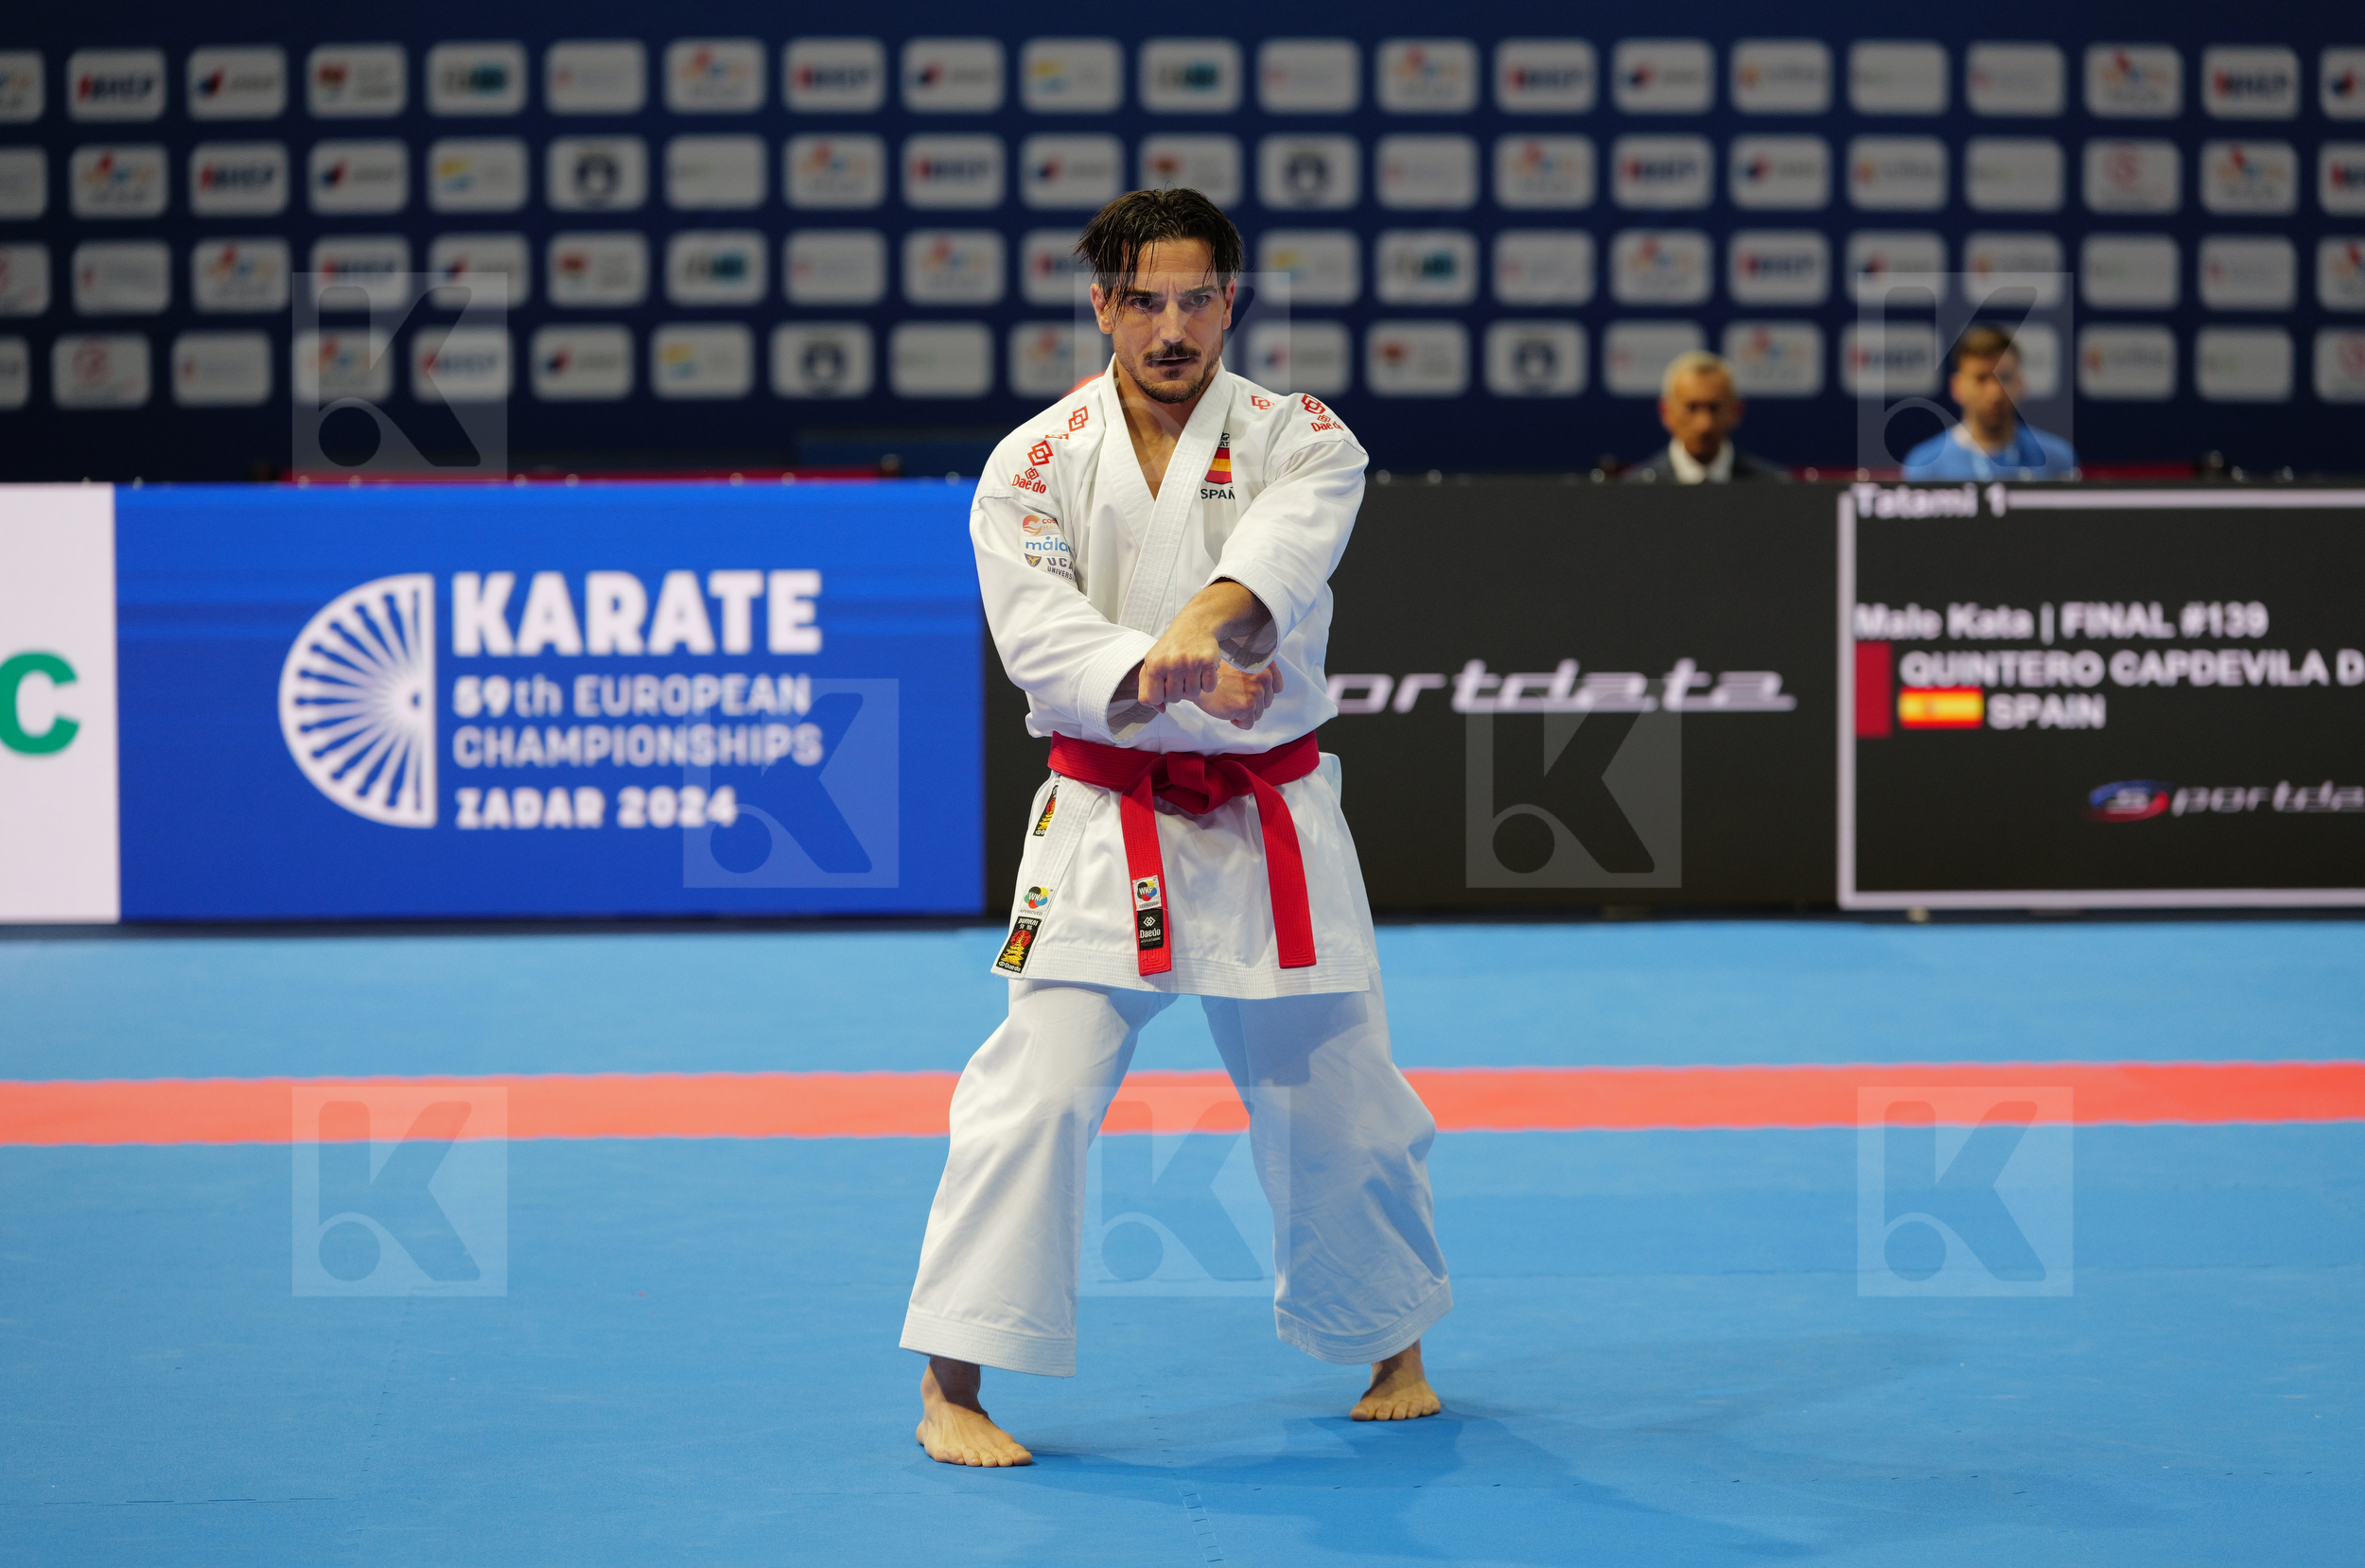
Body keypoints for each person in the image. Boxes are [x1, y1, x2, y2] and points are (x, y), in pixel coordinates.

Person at [902, 187, 1451, 1468]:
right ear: (1100, 304)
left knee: (1346, 1099)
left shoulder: (1302, 439)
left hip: (1271, 823)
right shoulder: (1032, 463)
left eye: (1195, 297)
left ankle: (1394, 1340)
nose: (1170, 326)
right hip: (1108, 816)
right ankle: (952, 1382)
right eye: (1141, 299)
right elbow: (1038, 643)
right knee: (1030, 1094)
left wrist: (1202, 645)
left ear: (1232, 302)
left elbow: (1266, 578)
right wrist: (1164, 678)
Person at [1903, 324, 2077, 480]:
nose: (1994, 393)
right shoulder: (1926, 465)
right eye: (1981, 379)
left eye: (2004, 377)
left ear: (2021, 384)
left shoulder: (2058, 459)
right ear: (1957, 388)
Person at [1624, 351, 1781, 482]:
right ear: (1666, 412)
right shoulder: (1633, 491)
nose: (1704, 424)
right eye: (1691, 408)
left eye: (1715, 408)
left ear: (1736, 411)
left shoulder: (1775, 487)